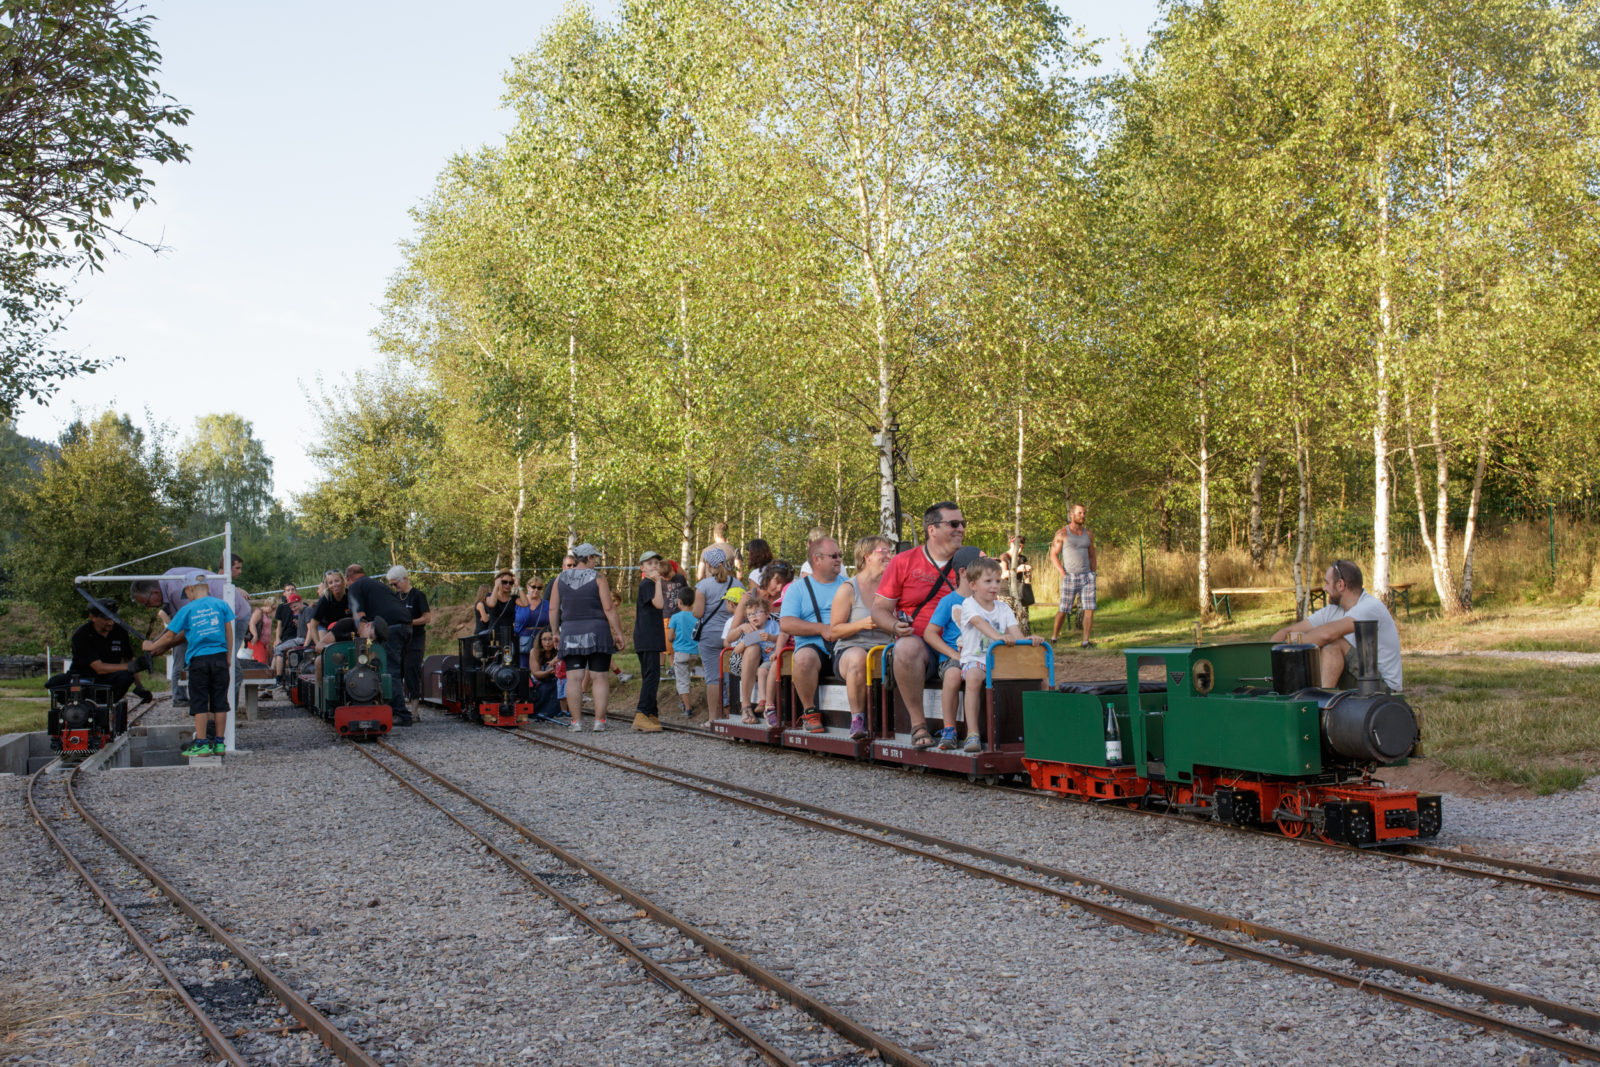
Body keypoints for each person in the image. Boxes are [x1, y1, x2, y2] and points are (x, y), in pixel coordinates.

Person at [871, 501, 968, 750]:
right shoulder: (903, 562)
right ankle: (918, 725)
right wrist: (894, 626)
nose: (961, 529)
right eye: (954, 524)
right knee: (905, 648)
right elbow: (879, 609)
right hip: (921, 643)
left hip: (963, 643)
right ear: (932, 529)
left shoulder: (972, 560)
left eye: (963, 524)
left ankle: (977, 731)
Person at [1269, 559, 1403, 691]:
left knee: (1334, 645)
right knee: (1312, 644)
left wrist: (1295, 641)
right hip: (1357, 679)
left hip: (1382, 687)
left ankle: (1320, 707)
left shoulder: (1370, 607)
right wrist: (1269, 654)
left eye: (1327, 583)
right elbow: (1287, 631)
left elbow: (1327, 634)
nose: (1324, 588)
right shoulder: (1333, 610)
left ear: (1340, 585)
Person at [130, 565, 252, 706]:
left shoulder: (176, 590)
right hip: (214, 618)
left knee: (227, 663)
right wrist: (158, 642)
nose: (147, 607)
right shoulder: (167, 584)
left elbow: (193, 625)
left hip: (236, 615)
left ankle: (229, 710)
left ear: (155, 592)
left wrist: (161, 644)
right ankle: (212, 707)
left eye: (146, 603)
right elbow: (176, 625)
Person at [143, 572, 234, 757]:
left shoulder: (188, 609)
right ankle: (219, 744)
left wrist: (151, 645)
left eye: (187, 593)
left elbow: (169, 635)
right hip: (220, 658)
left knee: (200, 702)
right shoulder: (221, 605)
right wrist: (229, 656)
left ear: (190, 589)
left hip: (199, 660)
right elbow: (229, 631)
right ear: (207, 587)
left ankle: (201, 744)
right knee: (220, 702)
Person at [549, 543, 625, 731]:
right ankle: (599, 721)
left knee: (573, 678)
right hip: (597, 632)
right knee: (600, 677)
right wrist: (618, 632)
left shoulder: (560, 578)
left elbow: (552, 608)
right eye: (595, 558)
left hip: (570, 632)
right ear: (589, 557)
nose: (596, 561)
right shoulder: (598, 578)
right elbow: (608, 608)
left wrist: (555, 632)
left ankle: (576, 722)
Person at [951, 556, 1024, 753]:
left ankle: (1034, 727)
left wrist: (1029, 641)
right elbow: (979, 623)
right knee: (974, 677)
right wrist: (1000, 637)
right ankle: (972, 733)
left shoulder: (1004, 608)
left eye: (998, 581)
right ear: (973, 585)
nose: (994, 586)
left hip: (1000, 662)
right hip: (975, 660)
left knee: (1037, 677)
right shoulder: (969, 605)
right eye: (988, 581)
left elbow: (1016, 634)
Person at [830, 536, 896, 740]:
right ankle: (857, 719)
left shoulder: (893, 588)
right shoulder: (848, 589)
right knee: (859, 657)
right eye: (883, 551)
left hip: (885, 649)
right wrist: (862, 624)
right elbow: (834, 631)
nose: (889, 555)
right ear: (866, 556)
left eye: (889, 551)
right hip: (851, 650)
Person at [780, 537, 847, 734]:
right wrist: (820, 628)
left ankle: (861, 716)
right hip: (815, 647)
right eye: (834, 556)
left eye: (840, 555)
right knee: (802, 659)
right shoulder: (797, 588)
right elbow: (786, 623)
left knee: (859, 656)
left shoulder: (849, 585)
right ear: (817, 559)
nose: (839, 560)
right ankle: (809, 712)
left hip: (845, 644)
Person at [921, 545, 983, 749]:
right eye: (982, 565)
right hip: (954, 657)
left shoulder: (988, 601)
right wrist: (952, 653)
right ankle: (949, 729)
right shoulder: (949, 601)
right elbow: (930, 633)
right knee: (953, 675)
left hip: (980, 655)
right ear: (964, 572)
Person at [344, 563, 414, 727]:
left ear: (348, 579)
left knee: (390, 670)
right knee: (397, 669)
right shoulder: (377, 584)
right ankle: (396, 707)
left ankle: (400, 714)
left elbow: (360, 619)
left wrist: (360, 650)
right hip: (407, 626)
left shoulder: (355, 587)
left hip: (391, 627)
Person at [69, 600, 152, 714]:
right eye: (106, 619)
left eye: (113, 618)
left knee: (126, 677)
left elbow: (128, 659)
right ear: (92, 617)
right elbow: (99, 668)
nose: (111, 623)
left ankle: (111, 706)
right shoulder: (82, 635)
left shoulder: (120, 631)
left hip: (112, 678)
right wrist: (129, 666)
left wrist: (140, 687)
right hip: (87, 678)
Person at [691, 547, 743, 714]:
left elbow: (698, 613)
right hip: (732, 634)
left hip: (709, 636)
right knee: (732, 676)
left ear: (708, 565)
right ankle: (733, 714)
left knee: (713, 678)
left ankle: (714, 717)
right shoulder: (737, 584)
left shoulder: (703, 585)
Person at [724, 593, 779, 722]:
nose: (753, 617)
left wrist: (771, 638)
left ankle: (765, 702)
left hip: (773, 658)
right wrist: (743, 640)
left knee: (763, 668)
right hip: (755, 659)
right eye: (750, 615)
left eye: (757, 613)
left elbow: (782, 638)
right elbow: (730, 644)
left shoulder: (773, 624)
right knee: (754, 650)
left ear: (766, 613)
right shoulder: (749, 627)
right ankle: (749, 705)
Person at [1049, 504, 1098, 647]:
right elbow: (1053, 555)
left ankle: (1085, 641)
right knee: (1064, 609)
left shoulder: (1088, 534)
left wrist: (1093, 573)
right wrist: (1062, 573)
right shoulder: (1062, 533)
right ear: (1072, 514)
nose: (1083, 516)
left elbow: (1092, 555)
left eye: (1084, 513)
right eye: (1080, 513)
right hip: (1070, 576)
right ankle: (1054, 638)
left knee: (1089, 609)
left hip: (1087, 577)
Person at [632, 551, 669, 732]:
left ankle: (652, 713)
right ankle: (642, 713)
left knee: (652, 675)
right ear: (642, 567)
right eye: (649, 563)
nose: (654, 566)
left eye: (656, 563)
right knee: (651, 677)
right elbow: (660, 604)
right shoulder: (647, 584)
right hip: (647, 638)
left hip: (650, 636)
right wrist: (659, 582)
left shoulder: (650, 584)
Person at [387, 566, 433, 706]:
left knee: (411, 670)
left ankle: (414, 708)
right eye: (392, 585)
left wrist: (409, 623)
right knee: (396, 670)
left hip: (415, 638)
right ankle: (398, 704)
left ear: (405, 579)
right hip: (399, 639)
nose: (395, 587)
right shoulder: (395, 597)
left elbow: (427, 617)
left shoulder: (418, 595)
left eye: (396, 584)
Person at [305, 569, 353, 650]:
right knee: (327, 650)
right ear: (327, 585)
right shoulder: (324, 600)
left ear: (342, 581)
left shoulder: (351, 595)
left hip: (346, 627)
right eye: (330, 583)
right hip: (326, 627)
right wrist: (318, 645)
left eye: (337, 581)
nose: (334, 585)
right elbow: (313, 625)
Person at [668, 597, 699, 718]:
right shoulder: (697, 616)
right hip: (694, 652)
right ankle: (684, 702)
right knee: (687, 678)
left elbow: (670, 637)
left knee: (682, 681)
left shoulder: (675, 617)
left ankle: (687, 708)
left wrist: (676, 638)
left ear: (679, 601)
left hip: (681, 652)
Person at [476, 570, 522, 637]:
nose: (507, 585)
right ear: (498, 582)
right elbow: (492, 604)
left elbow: (525, 603)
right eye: (504, 582)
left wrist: (518, 586)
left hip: (509, 634)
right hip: (494, 635)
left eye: (511, 583)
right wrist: (496, 586)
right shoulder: (489, 596)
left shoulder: (513, 598)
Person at [528, 628, 561, 721]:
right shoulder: (534, 652)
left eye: (550, 639)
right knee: (544, 687)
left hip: (556, 679)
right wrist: (549, 672)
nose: (547, 642)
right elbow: (536, 673)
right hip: (539, 680)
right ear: (540, 641)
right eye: (545, 639)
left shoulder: (560, 651)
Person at [515, 576, 551, 654]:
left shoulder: (546, 605)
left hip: (541, 641)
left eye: (539, 588)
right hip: (523, 640)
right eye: (533, 587)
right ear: (528, 587)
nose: (536, 590)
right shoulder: (518, 603)